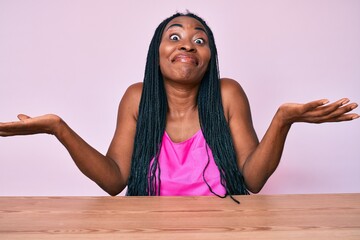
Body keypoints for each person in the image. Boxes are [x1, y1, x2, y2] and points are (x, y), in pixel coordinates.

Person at [0, 12, 358, 202]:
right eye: (175, 37)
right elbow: (113, 181)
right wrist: (57, 128)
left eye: (199, 40)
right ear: (157, 55)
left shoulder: (228, 93)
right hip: (150, 230)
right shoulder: (137, 98)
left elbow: (253, 180)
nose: (187, 44)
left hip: (226, 229)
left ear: (209, 58)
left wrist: (283, 120)